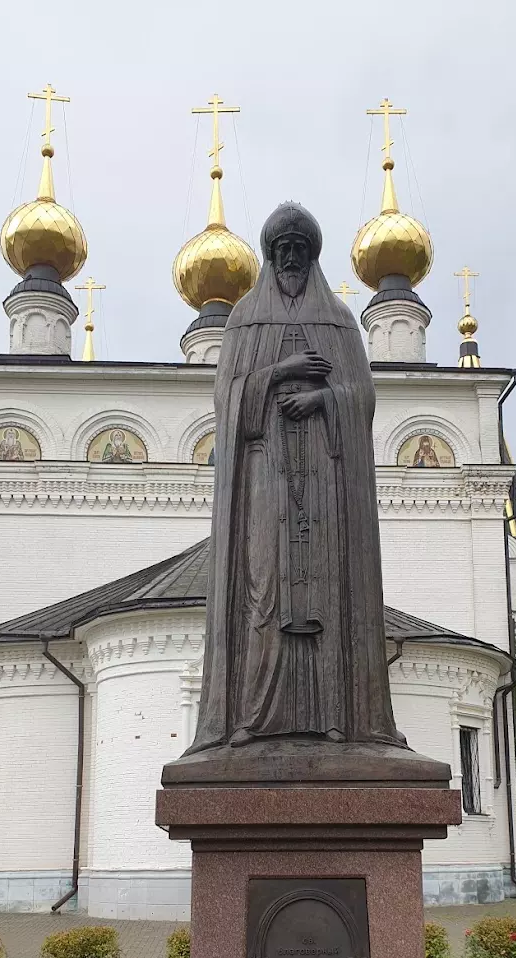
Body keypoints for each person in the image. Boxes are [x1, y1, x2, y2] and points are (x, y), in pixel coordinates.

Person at [188, 201, 405, 752]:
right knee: (264, 592)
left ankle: (335, 716)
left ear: (312, 257)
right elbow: (226, 400)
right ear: (269, 256)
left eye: (300, 250)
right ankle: (254, 717)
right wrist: (281, 373)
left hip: (325, 479)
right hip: (266, 476)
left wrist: (322, 398)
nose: (291, 258)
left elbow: (363, 397)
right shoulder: (243, 320)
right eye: (282, 249)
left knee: (327, 593)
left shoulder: (338, 323)